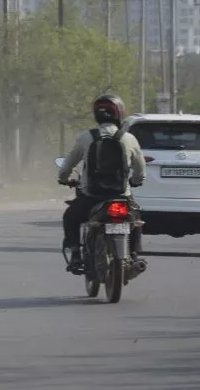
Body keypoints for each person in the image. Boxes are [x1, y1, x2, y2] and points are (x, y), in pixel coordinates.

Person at [56, 94, 146, 270]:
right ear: (119, 114)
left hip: (92, 197)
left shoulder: (85, 137)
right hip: (121, 196)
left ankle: (75, 255)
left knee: (70, 217)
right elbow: (140, 169)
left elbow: (67, 165)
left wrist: (64, 179)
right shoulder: (129, 139)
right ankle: (134, 256)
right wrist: (136, 181)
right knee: (135, 220)